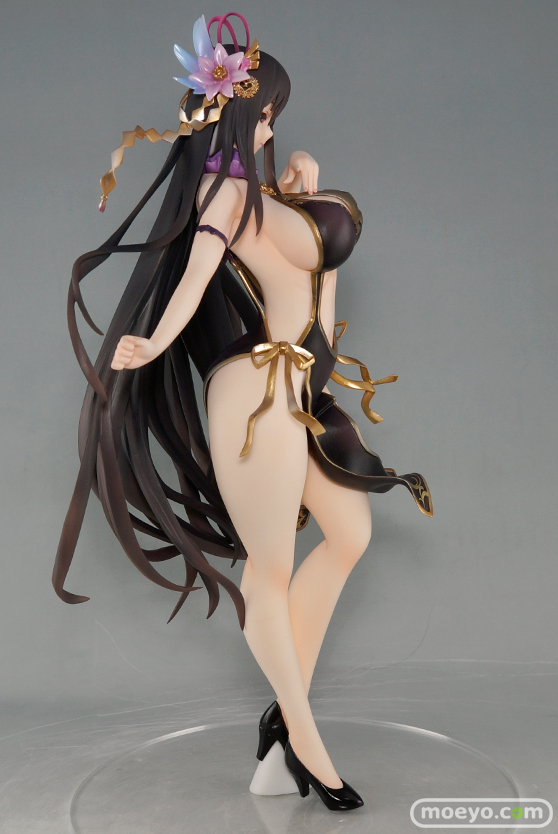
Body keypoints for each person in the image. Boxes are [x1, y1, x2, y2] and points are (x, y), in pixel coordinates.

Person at [53, 13, 432, 812]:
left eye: (274, 115)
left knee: (350, 533)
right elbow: (197, 273)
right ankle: (308, 745)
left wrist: (303, 181)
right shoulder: (224, 193)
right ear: (235, 112)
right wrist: (154, 342)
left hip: (301, 386)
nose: (270, 126)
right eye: (264, 113)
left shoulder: (268, 189)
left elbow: (310, 266)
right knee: (270, 567)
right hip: (256, 391)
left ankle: (281, 730)